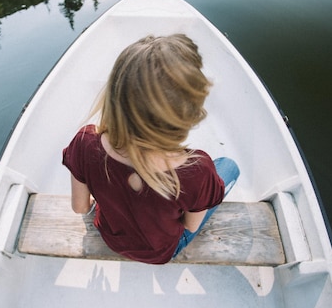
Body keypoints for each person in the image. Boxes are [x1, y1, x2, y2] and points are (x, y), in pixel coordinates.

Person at [62, 34, 239, 264]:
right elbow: (189, 225)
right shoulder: (198, 170)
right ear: (182, 116)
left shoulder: (84, 142)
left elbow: (80, 208)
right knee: (229, 166)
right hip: (161, 252)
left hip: (111, 238)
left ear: (116, 95)